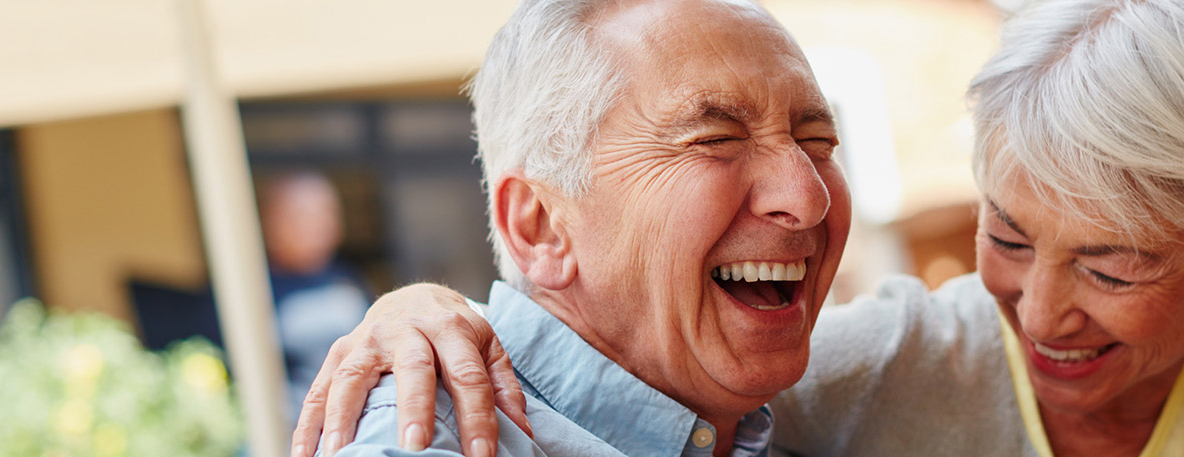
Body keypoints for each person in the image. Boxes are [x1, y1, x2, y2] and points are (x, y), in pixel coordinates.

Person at [295, 0, 1184, 456]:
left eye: (819, 143)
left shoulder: (739, 424)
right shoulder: (839, 379)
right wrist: (435, 311)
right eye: (1009, 236)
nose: (1037, 307)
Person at [306, 0, 852, 455]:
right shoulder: (422, 434)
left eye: (817, 143)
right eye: (714, 140)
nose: (808, 197)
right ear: (541, 226)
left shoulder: (826, 402)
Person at [259, 171, 372, 420]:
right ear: (272, 222)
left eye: (327, 213)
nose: (321, 224)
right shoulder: (254, 289)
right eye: (304, 216)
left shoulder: (348, 278)